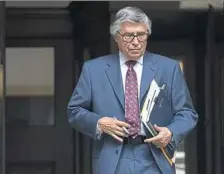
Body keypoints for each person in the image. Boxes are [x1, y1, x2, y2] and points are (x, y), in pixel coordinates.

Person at [67, 6, 198, 174]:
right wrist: (99, 123)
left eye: (141, 35)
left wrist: (171, 133)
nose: (136, 42)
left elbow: (187, 113)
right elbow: (74, 111)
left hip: (155, 157)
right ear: (116, 37)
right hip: (113, 158)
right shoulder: (94, 70)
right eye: (129, 35)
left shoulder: (168, 68)